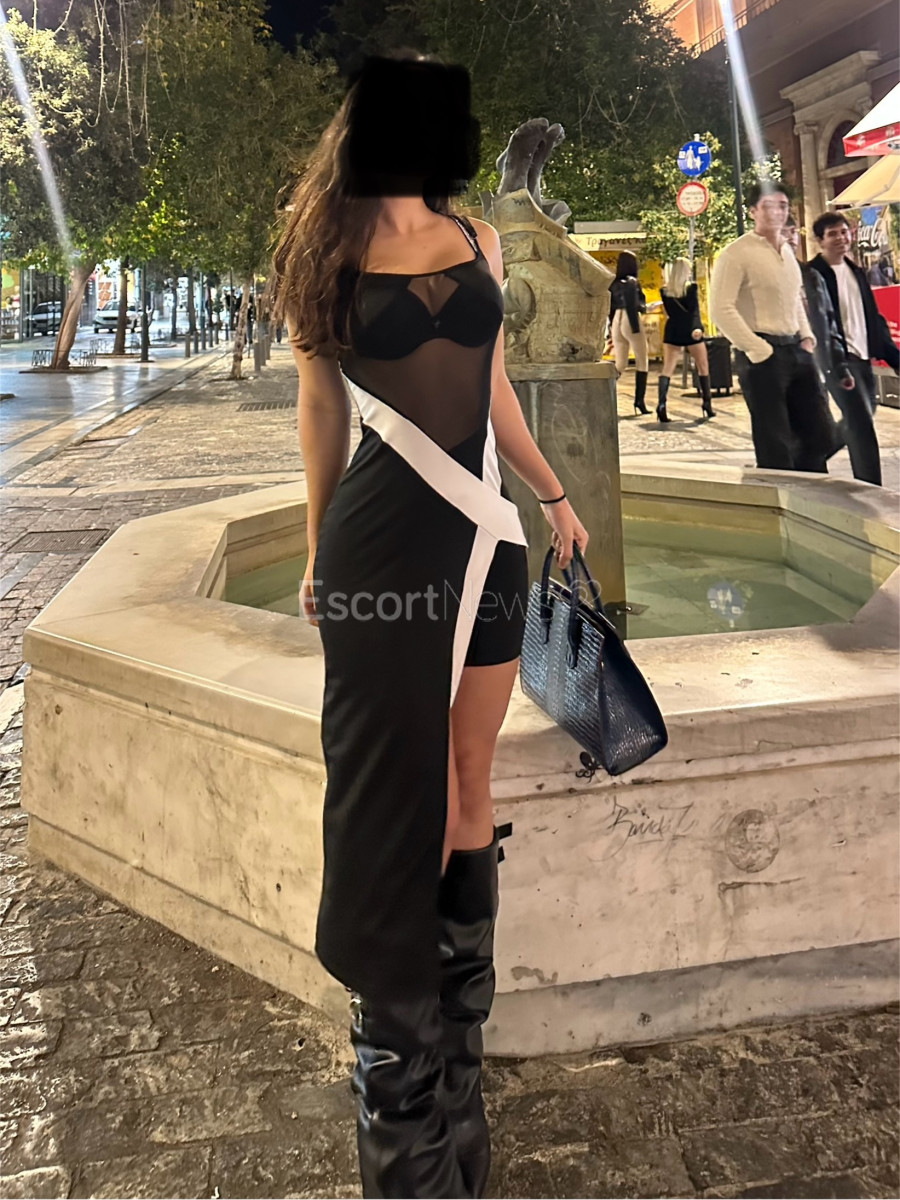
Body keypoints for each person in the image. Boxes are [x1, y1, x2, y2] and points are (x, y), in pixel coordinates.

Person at [270, 51, 589, 1200]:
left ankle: (456, 1071)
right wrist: (317, 548)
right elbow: (320, 405)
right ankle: (399, 1110)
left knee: (466, 782)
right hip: (382, 547)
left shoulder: (480, 240)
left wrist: (553, 496)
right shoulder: (321, 247)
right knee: (380, 800)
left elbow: (493, 393)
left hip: (488, 539)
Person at [709, 180, 833, 473]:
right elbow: (720, 309)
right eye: (768, 206)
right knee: (775, 443)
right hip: (762, 355)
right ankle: (782, 494)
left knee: (820, 435)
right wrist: (758, 349)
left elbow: (794, 299)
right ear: (753, 211)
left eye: (783, 206)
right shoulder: (736, 253)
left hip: (796, 349)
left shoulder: (787, 252)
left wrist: (807, 337)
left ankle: (811, 492)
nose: (777, 212)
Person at [809, 211, 900, 487]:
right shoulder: (813, 274)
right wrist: (832, 362)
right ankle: (871, 487)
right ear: (820, 241)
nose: (841, 238)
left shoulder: (856, 272)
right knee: (861, 424)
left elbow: (873, 318)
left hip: (862, 356)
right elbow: (819, 322)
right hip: (836, 361)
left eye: (844, 232)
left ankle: (809, 457)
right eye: (832, 234)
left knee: (861, 415)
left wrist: (893, 356)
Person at [656, 257, 715, 423]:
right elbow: (694, 311)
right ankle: (707, 404)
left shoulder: (665, 291)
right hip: (690, 330)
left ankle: (661, 404)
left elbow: (668, 313)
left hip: (673, 329)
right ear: (685, 271)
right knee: (702, 366)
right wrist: (699, 328)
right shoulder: (691, 288)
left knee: (667, 368)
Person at [608, 252, 650, 415]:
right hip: (630, 318)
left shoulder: (613, 283)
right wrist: (636, 325)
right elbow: (634, 305)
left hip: (616, 319)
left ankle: (607, 394)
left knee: (620, 363)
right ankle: (639, 401)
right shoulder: (633, 282)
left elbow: (610, 306)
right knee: (642, 360)